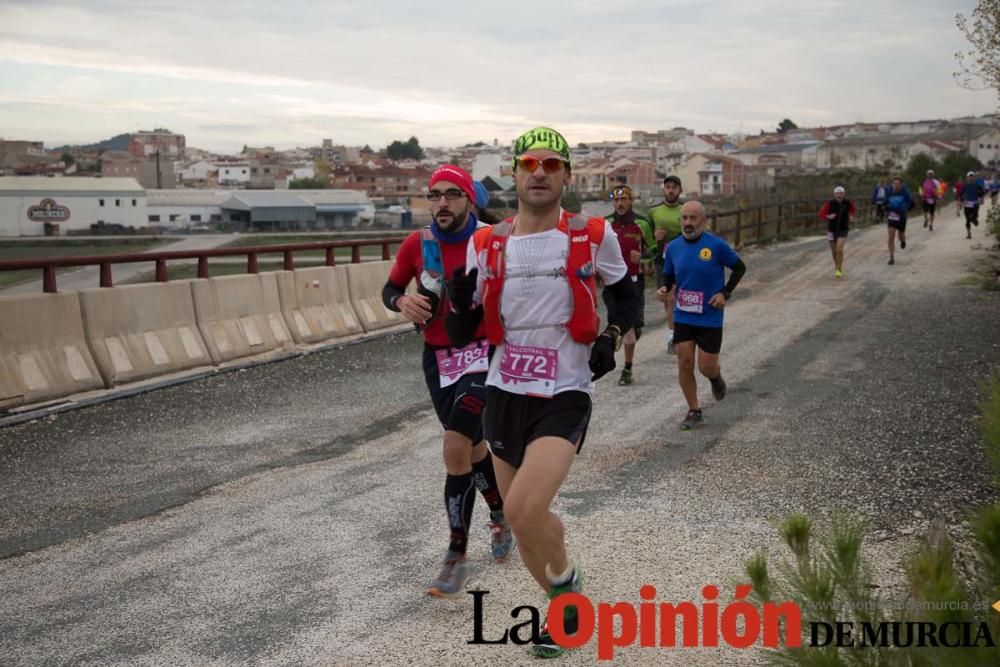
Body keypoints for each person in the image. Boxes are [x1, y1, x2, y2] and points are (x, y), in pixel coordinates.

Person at [446, 126, 639, 658]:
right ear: (513, 172)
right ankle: (565, 601)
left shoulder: (593, 234)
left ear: (566, 176)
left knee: (528, 510)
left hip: (565, 392)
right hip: (504, 392)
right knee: (523, 520)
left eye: (551, 165)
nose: (539, 172)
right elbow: (462, 332)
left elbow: (627, 297)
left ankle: (567, 589)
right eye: (529, 163)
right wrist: (453, 300)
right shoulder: (487, 243)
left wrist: (613, 335)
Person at [381, 164, 513, 598]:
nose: (441, 203)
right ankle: (499, 512)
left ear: (468, 199)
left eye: (451, 194)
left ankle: (455, 554)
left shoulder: (492, 239)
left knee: (455, 444)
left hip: (483, 353)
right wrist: (402, 300)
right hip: (438, 357)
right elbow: (389, 289)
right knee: (472, 451)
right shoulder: (417, 243)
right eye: (434, 195)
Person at [656, 201, 745, 430]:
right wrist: (664, 289)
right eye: (684, 218)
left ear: (703, 221)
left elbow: (739, 268)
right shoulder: (673, 247)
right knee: (684, 362)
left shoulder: (716, 246)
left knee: (706, 367)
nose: (688, 223)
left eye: (693, 218)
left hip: (709, 316)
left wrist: (725, 293)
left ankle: (715, 378)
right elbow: (668, 277)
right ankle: (694, 410)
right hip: (683, 315)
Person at [604, 184, 654, 386]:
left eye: (623, 199)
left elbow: (654, 252)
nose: (619, 204)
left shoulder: (642, 223)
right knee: (619, 325)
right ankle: (626, 358)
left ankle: (627, 368)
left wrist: (641, 257)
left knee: (631, 327)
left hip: (634, 282)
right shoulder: (605, 224)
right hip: (611, 283)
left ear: (631, 201)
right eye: (616, 200)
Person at [647, 175, 684, 353]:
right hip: (662, 260)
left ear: (680, 191)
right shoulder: (653, 212)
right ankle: (674, 331)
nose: (671, 190)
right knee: (667, 300)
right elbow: (647, 239)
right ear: (664, 190)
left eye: (674, 187)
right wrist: (655, 240)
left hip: (682, 260)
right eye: (668, 187)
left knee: (672, 298)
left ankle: (673, 337)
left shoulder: (685, 210)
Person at [819, 186, 855, 278]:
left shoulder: (848, 203)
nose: (839, 195)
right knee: (834, 251)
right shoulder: (829, 204)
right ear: (834, 194)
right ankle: (837, 266)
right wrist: (828, 216)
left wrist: (851, 216)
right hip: (832, 229)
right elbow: (821, 214)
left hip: (843, 228)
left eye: (841, 193)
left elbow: (853, 210)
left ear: (844, 194)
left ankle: (839, 268)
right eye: (837, 193)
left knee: (839, 249)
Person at [885, 176, 913, 265]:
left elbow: (911, 203)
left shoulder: (905, 192)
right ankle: (891, 257)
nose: (896, 185)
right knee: (891, 236)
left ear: (901, 185)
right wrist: (885, 208)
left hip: (901, 216)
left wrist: (906, 209)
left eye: (898, 183)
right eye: (894, 183)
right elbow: (885, 202)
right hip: (892, 215)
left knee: (900, 236)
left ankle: (903, 241)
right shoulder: (889, 191)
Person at [961, 170, 986, 239]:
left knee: (974, 216)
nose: (971, 178)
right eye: (970, 176)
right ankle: (969, 234)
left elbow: (982, 193)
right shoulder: (964, 186)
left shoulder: (977, 185)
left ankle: (975, 221)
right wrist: (962, 201)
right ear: (967, 177)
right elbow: (961, 195)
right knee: (968, 220)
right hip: (967, 204)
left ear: (974, 177)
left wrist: (982, 199)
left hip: (975, 204)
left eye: (972, 176)